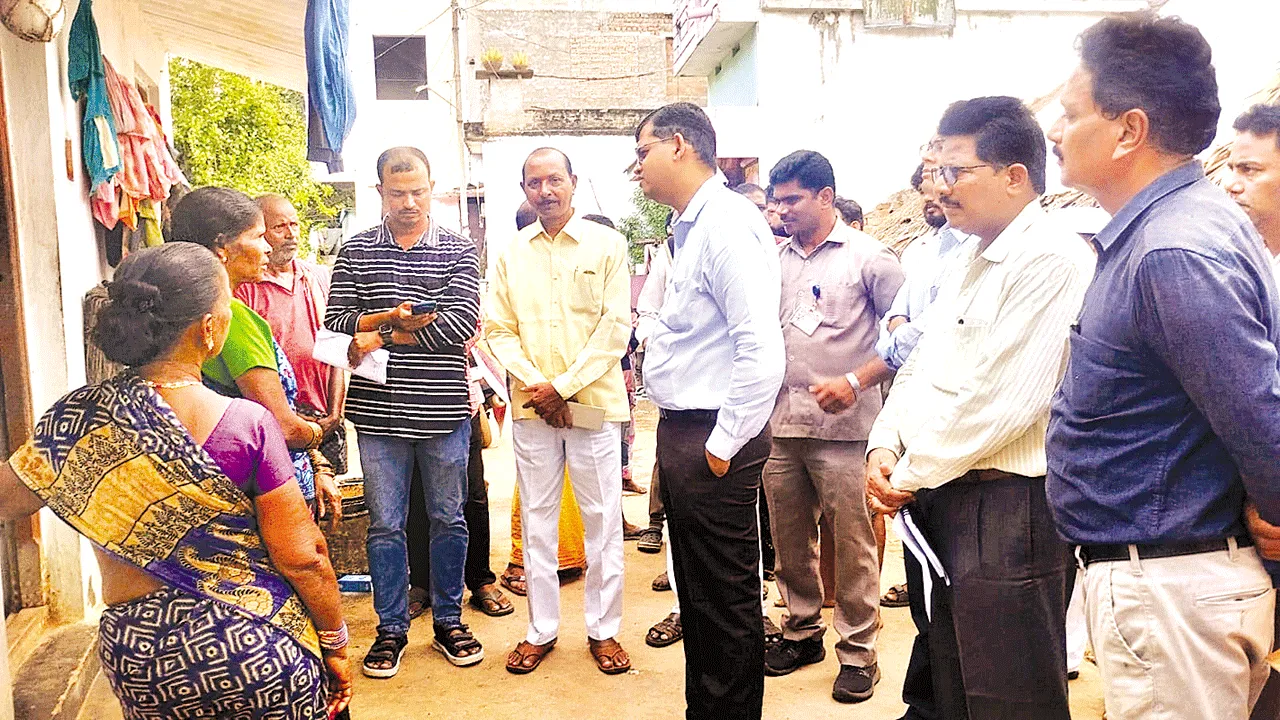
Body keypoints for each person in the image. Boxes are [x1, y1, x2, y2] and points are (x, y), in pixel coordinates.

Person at [0, 243, 351, 719]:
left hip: (142, 659)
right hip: (254, 647)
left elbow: (7, 498)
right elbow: (305, 557)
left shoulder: (76, 419)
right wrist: (335, 642)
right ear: (208, 329)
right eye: (227, 307)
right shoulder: (246, 424)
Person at [1046, 15, 1278, 720]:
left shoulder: (1171, 252)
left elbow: (1259, 418)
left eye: (1071, 114)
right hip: (1172, 580)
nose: (1055, 131)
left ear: (1128, 131)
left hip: (1174, 587)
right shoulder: (1175, 230)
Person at [866, 96, 1094, 720]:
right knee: (950, 681)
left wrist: (906, 473)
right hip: (942, 493)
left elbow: (1002, 401)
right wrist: (885, 443)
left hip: (1006, 510)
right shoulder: (969, 255)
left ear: (1014, 176)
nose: (939, 187)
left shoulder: (1051, 259)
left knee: (1009, 695)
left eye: (955, 171)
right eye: (936, 170)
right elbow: (921, 362)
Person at [635, 101, 785, 720]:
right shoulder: (691, 226)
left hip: (713, 433)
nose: (638, 167)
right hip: (687, 429)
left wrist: (722, 445)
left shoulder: (726, 224)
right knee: (699, 597)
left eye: (643, 152)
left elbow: (761, 349)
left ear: (678, 145)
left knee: (724, 601)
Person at [326, 146, 484, 676]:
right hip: (378, 416)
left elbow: (459, 324)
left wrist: (381, 334)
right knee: (385, 526)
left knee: (449, 519)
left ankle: (449, 621)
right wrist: (395, 321)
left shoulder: (459, 250)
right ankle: (390, 628)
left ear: (432, 187)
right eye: (398, 193)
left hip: (444, 413)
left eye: (418, 191)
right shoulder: (355, 251)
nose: (410, 202)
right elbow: (337, 321)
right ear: (380, 193)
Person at [762, 150, 904, 703]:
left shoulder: (871, 259)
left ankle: (859, 652)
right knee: (789, 541)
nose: (781, 211)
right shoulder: (772, 260)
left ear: (826, 197)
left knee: (852, 545)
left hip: (848, 430)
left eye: (792, 200)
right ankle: (801, 632)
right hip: (782, 426)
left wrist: (856, 381)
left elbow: (907, 341)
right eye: (777, 201)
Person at [485, 147, 632, 676]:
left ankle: (604, 630)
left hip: (592, 407)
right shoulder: (510, 252)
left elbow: (614, 329)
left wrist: (562, 389)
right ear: (524, 189)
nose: (545, 191)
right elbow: (498, 329)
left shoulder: (609, 245)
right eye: (534, 183)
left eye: (554, 180)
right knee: (538, 520)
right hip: (534, 411)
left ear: (574, 181)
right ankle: (540, 630)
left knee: (602, 521)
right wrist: (539, 388)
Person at [170, 187, 343, 522]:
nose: (267, 248)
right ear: (222, 248)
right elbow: (284, 427)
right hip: (268, 484)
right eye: (259, 236)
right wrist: (318, 435)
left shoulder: (185, 309)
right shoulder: (232, 318)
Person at [500, 201, 591, 596]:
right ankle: (524, 562)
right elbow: (502, 334)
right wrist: (547, 389)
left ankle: (569, 556)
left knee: (575, 477)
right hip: (535, 397)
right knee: (536, 483)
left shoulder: (582, 261)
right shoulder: (513, 267)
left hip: (579, 393)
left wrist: (564, 388)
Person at [235, 194, 348, 476]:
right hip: (277, 420)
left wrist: (335, 413)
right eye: (279, 227)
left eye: (294, 224)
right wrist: (291, 419)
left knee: (330, 493)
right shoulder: (247, 287)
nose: (291, 234)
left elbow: (336, 350)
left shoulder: (318, 277)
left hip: (324, 416)